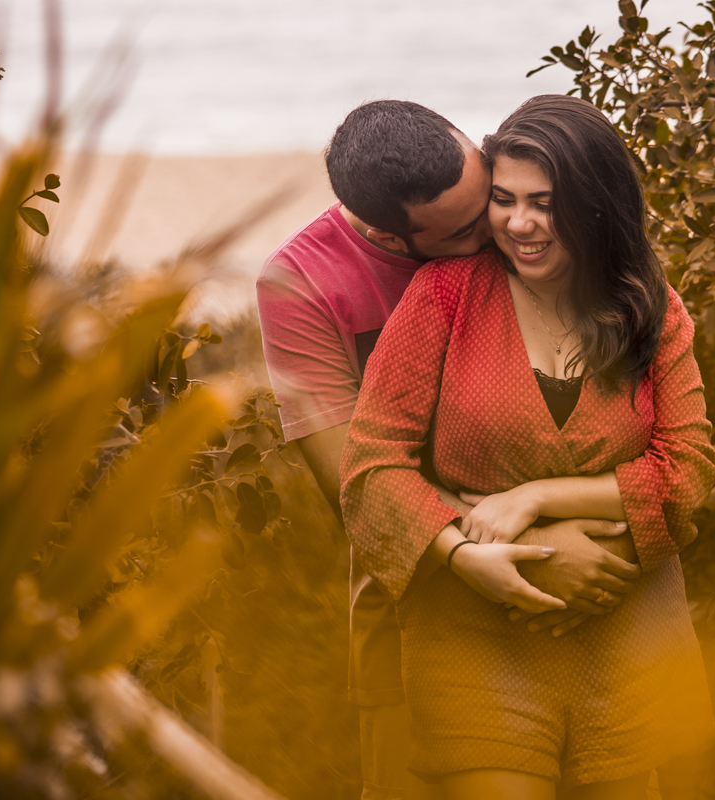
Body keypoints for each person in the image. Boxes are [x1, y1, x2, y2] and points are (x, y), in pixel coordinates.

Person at [256, 100, 643, 800]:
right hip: (421, 598)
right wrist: (522, 552)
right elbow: (354, 478)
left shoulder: (509, 210)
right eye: (467, 228)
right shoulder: (303, 284)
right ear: (388, 235)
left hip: (592, 593)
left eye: (488, 191)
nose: (501, 231)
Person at [339, 94, 715, 800]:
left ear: (594, 202)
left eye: (545, 202)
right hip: (478, 638)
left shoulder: (650, 307)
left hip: (626, 631)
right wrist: (468, 556)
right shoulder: (442, 296)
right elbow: (371, 469)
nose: (519, 224)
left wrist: (536, 500)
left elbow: (689, 472)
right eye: (505, 200)